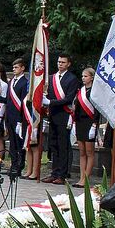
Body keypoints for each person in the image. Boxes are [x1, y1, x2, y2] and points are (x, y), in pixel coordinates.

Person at [41, 53, 79, 184]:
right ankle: (54, 172)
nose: (60, 64)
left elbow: (68, 99)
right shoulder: (52, 78)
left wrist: (50, 102)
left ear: (68, 64)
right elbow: (49, 94)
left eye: (63, 62)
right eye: (59, 62)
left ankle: (62, 174)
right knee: (53, 144)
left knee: (63, 145)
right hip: (53, 115)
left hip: (64, 115)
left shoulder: (72, 79)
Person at [73, 67, 99, 188]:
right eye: (82, 76)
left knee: (89, 152)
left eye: (86, 76)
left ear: (92, 78)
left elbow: (97, 109)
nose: (83, 78)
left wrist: (95, 124)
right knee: (82, 152)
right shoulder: (80, 91)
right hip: (80, 122)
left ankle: (87, 179)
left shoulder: (95, 91)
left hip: (90, 122)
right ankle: (81, 177)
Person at [5, 58, 30, 177]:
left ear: (22, 68)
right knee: (13, 143)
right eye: (13, 67)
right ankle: (13, 164)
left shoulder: (25, 83)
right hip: (9, 116)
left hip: (19, 118)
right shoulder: (11, 82)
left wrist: (20, 120)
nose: (14, 69)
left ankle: (19, 166)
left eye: (16, 67)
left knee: (19, 143)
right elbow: (7, 99)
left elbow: (23, 103)